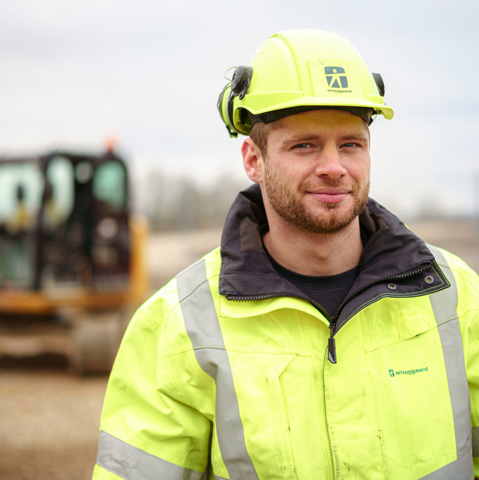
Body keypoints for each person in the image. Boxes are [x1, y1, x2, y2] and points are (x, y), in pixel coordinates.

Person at [93, 29, 479, 480]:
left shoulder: (458, 299)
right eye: (305, 145)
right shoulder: (180, 325)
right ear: (253, 160)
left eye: (350, 144)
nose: (334, 167)